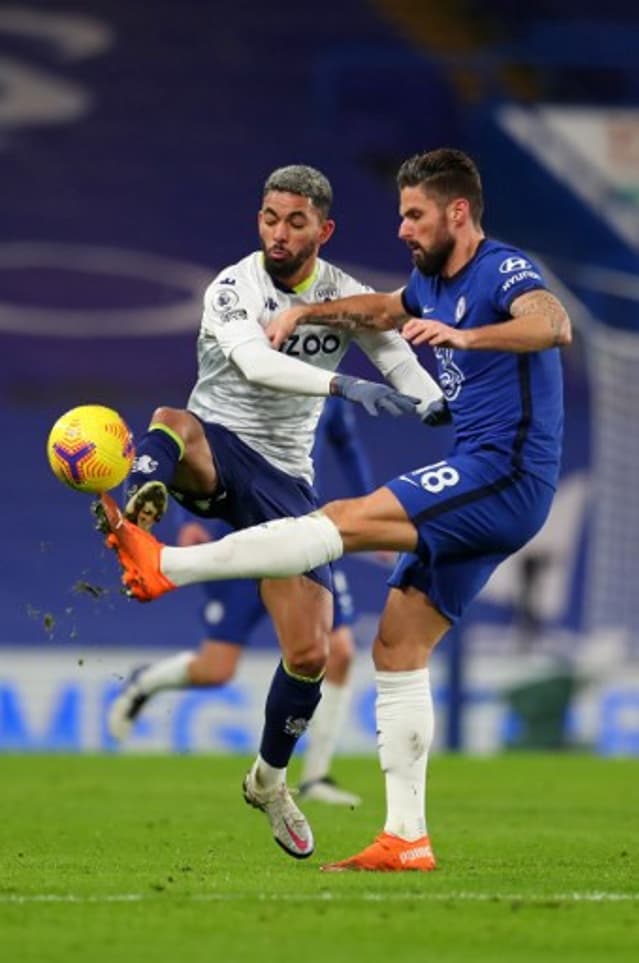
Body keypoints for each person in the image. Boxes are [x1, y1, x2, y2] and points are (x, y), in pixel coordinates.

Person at [98, 148, 572, 872]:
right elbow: (382, 314)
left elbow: (553, 322)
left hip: (500, 472)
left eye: (413, 215)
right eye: (400, 214)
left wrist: (464, 345)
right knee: (396, 645)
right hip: (270, 449)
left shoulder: (500, 271)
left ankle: (168, 564)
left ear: (457, 212)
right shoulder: (420, 281)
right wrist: (320, 323)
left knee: (340, 541)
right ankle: (406, 837)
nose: (403, 229)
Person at [108, 396, 390, 807]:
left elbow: (348, 450)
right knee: (216, 668)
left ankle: (315, 777)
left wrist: (372, 514)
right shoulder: (251, 374)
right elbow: (197, 442)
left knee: (337, 652)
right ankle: (144, 683)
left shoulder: (325, 390)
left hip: (304, 533)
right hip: (242, 536)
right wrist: (187, 522)